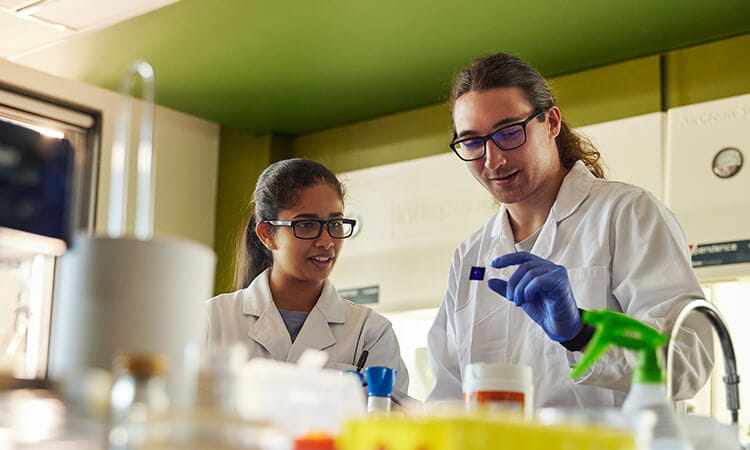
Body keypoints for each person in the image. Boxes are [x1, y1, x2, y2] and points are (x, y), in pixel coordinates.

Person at [426, 52, 713, 408]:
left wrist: (582, 334)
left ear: (551, 122)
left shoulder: (626, 213)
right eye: (472, 141)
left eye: (509, 132)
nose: (493, 159)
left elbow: (689, 360)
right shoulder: (470, 256)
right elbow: (448, 397)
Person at [207, 158, 409, 400]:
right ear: (266, 234)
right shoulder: (214, 319)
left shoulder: (370, 332)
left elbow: (391, 422)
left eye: (334, 224)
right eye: (306, 225)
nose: (326, 241)